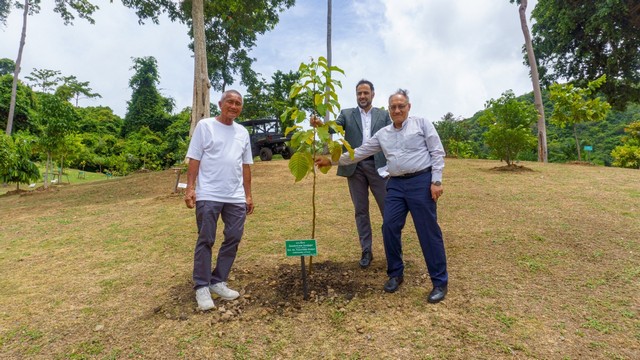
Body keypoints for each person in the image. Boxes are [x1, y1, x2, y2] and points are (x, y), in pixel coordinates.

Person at [315, 89, 448, 303]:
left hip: (421, 182)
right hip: (395, 184)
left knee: (428, 231)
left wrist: (436, 181)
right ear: (389, 109)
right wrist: (331, 161)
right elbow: (359, 152)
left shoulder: (422, 124)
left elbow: (437, 152)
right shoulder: (384, 134)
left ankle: (439, 281)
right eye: (393, 107)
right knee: (389, 227)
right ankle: (395, 273)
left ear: (408, 107)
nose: (397, 110)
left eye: (401, 106)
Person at [184, 90, 255, 311]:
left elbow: (246, 165)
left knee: (234, 236)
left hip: (235, 196)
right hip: (208, 194)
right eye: (230, 102)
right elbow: (194, 158)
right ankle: (202, 286)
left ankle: (218, 280)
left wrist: (248, 194)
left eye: (238, 103)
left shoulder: (242, 132)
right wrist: (190, 188)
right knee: (206, 239)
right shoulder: (205, 126)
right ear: (220, 103)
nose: (234, 106)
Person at [312, 79, 391, 268]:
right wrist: (320, 124)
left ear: (373, 94)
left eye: (365, 93)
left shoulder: (384, 115)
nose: (362, 96)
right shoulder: (346, 114)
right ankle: (366, 250)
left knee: (388, 211)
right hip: (354, 168)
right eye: (359, 93)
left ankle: (392, 249)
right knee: (360, 211)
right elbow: (333, 128)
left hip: (379, 167)